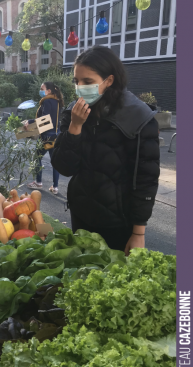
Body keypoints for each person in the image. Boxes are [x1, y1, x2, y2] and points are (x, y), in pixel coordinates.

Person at [51, 46, 160, 254]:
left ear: (108, 81)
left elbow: (146, 179)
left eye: (88, 82)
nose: (80, 87)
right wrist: (75, 127)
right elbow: (64, 167)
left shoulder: (138, 118)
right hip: (81, 215)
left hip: (119, 223)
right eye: (76, 81)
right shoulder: (74, 112)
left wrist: (138, 233)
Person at [25, 81, 63, 194]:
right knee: (55, 161)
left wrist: (30, 122)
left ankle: (38, 182)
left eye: (42, 88)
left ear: (48, 91)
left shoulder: (47, 101)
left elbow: (45, 119)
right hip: (55, 135)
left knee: (37, 158)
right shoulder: (58, 102)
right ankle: (55, 187)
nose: (40, 90)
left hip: (46, 136)